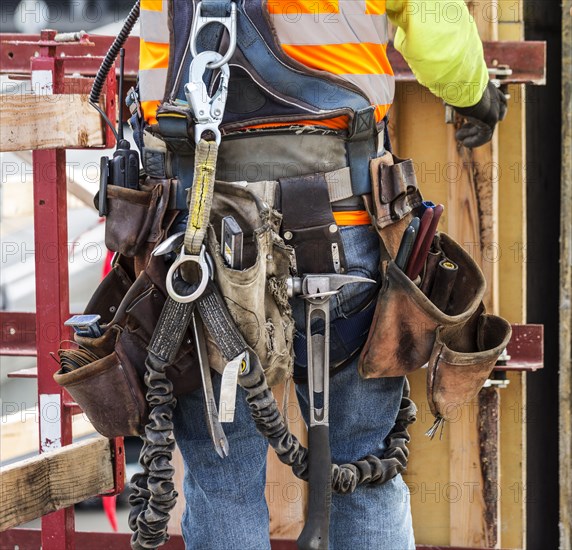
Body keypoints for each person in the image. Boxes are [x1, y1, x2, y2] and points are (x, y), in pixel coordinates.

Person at [135, 1, 507, 548]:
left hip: (204, 236)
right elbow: (438, 29)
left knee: (223, 482)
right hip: (345, 222)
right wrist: (476, 95)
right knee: (366, 468)